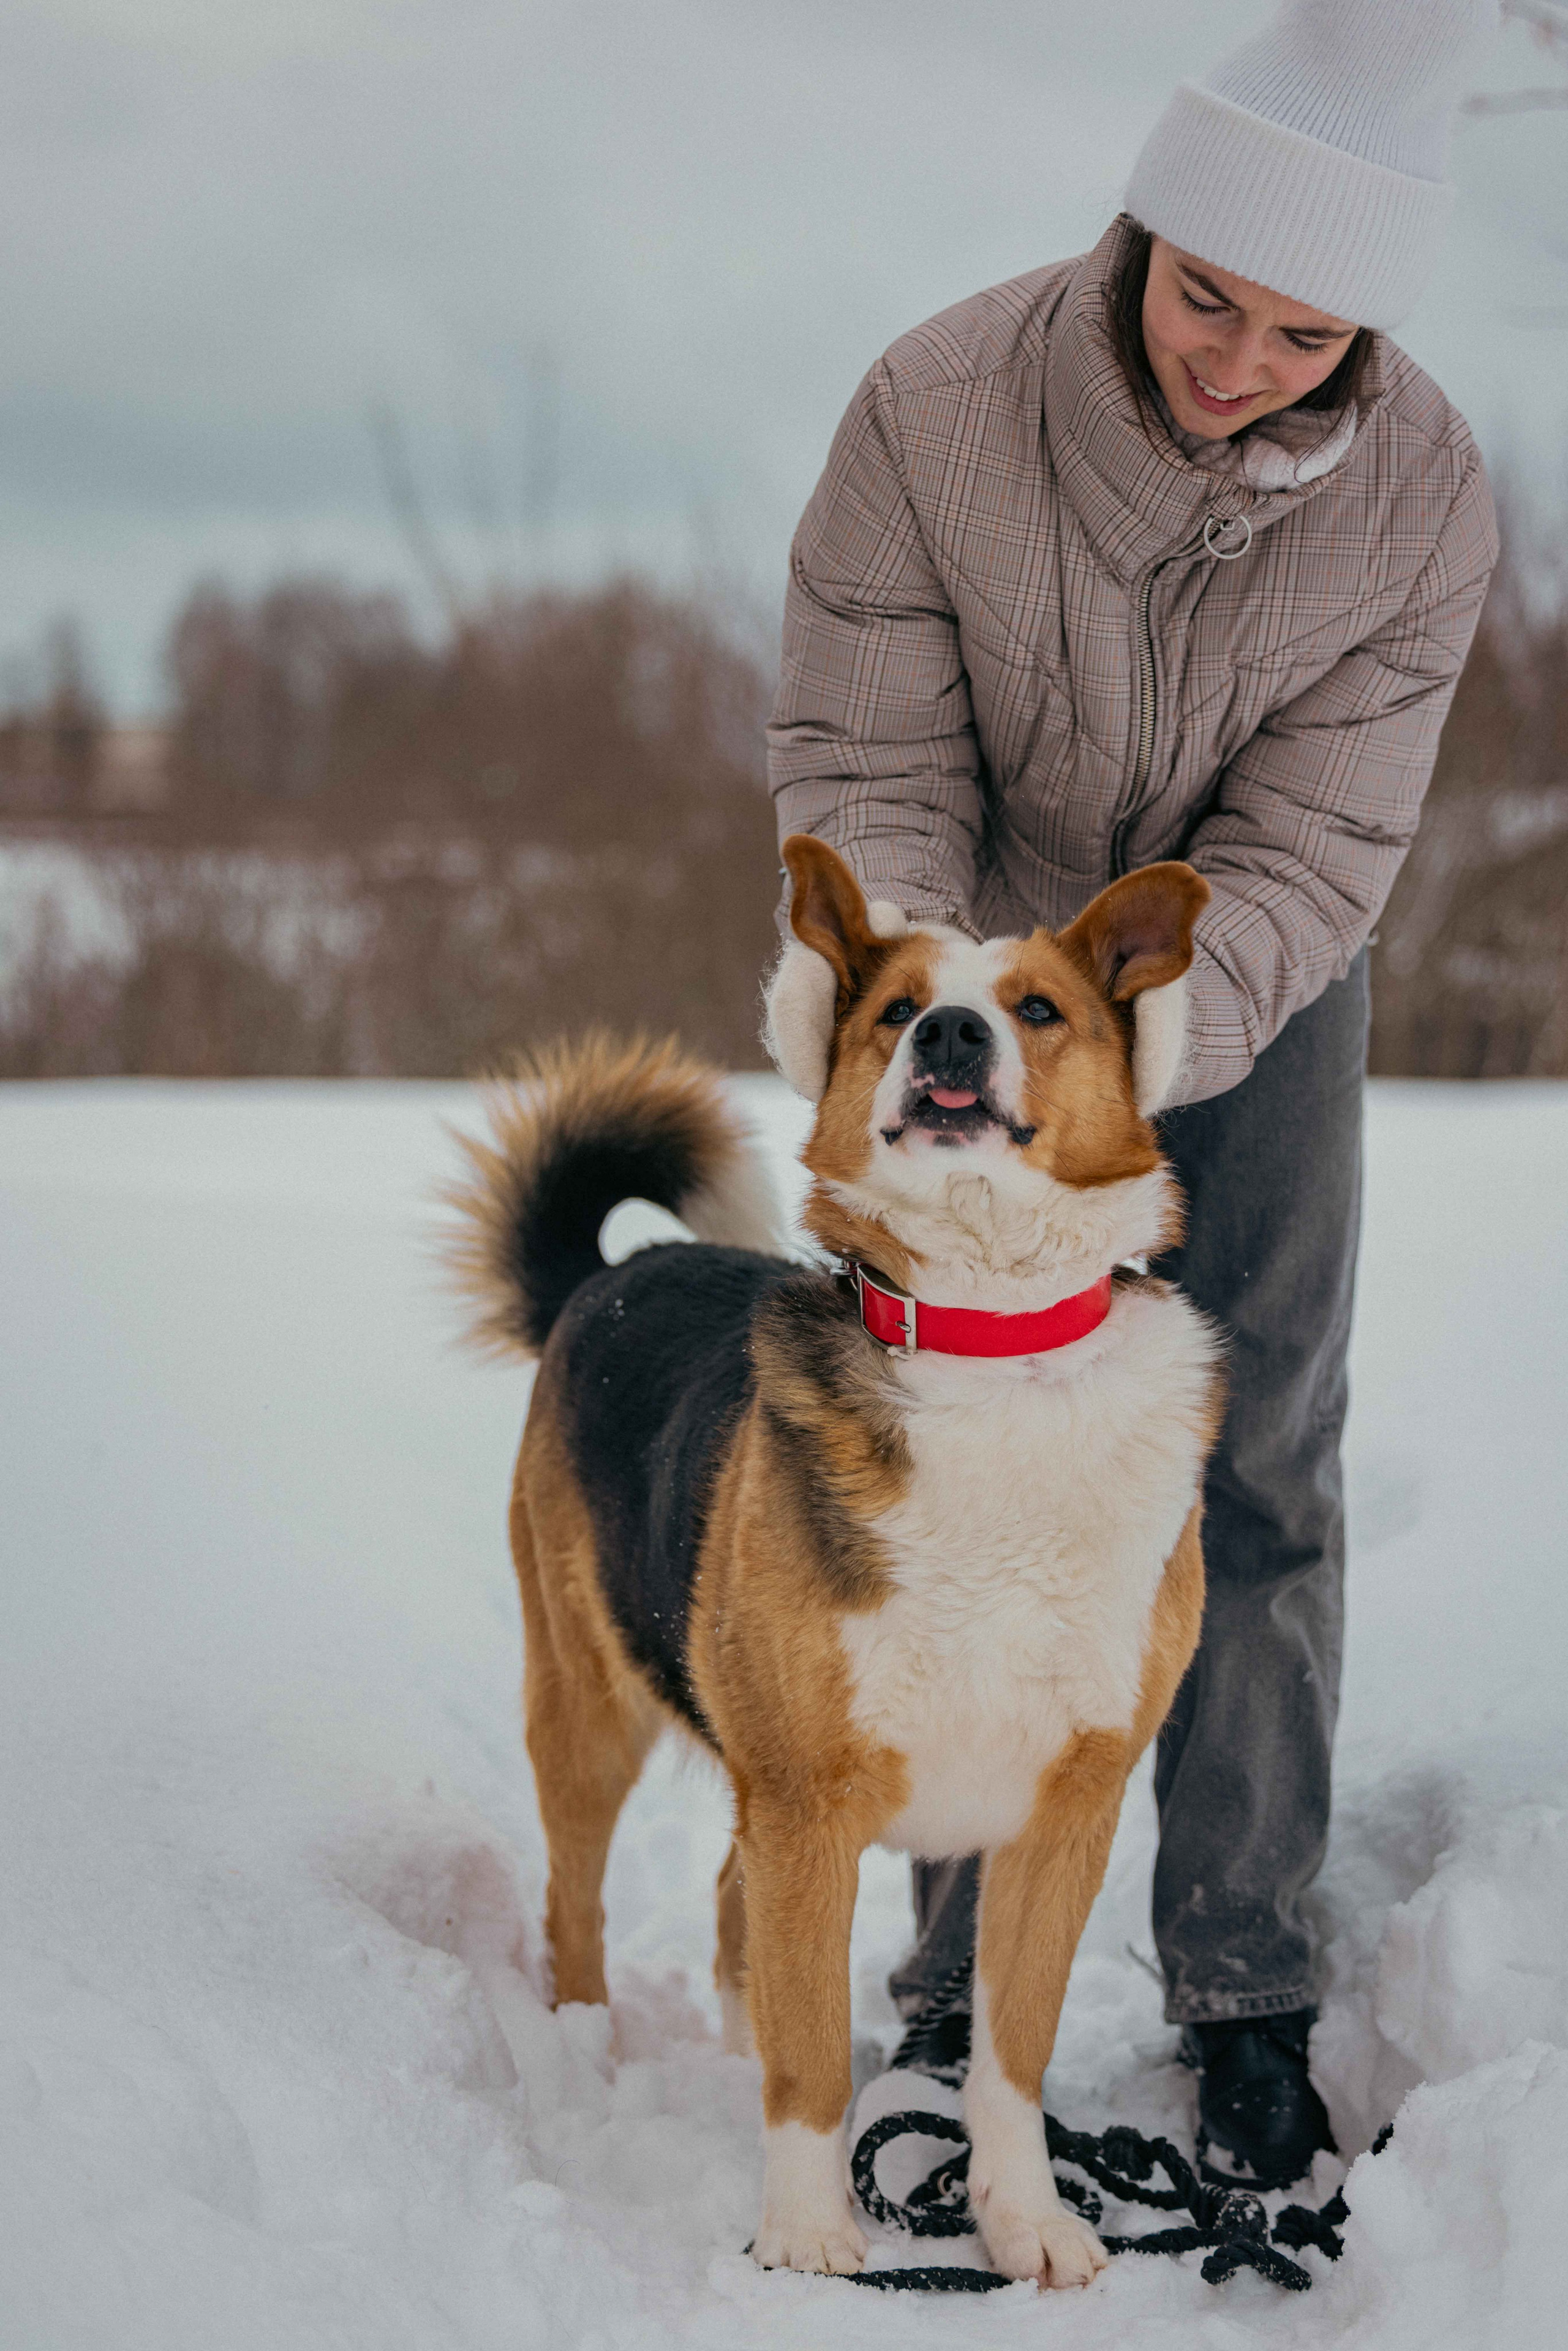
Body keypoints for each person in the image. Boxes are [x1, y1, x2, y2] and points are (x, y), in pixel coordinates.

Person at [764, 0, 1501, 2189]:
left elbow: (1311, 850)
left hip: (1241, 997)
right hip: (968, 971)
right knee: (954, 1447)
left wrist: (1150, 1047)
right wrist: (929, 1023)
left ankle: (1244, 1983)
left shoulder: (1431, 493)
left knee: (1255, 1444)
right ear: (1144, 233)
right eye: (1207, 297)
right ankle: (948, 1993)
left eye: (1299, 332)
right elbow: (873, 768)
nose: (1237, 359)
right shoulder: (936, 406)